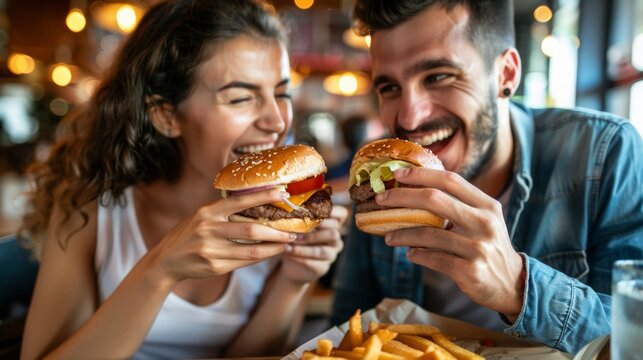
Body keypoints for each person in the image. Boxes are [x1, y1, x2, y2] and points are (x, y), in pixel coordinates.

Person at [18, 0, 345, 359]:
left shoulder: (282, 215)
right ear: (166, 115)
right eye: (239, 98)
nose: (277, 121)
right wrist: (160, 270)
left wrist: (294, 279)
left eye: (282, 93)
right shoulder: (89, 208)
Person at [331, 0, 643, 354]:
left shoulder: (604, 152)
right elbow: (346, 337)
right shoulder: (379, 184)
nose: (410, 117)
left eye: (438, 76)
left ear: (505, 74)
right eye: (389, 88)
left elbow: (635, 339)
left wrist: (518, 287)